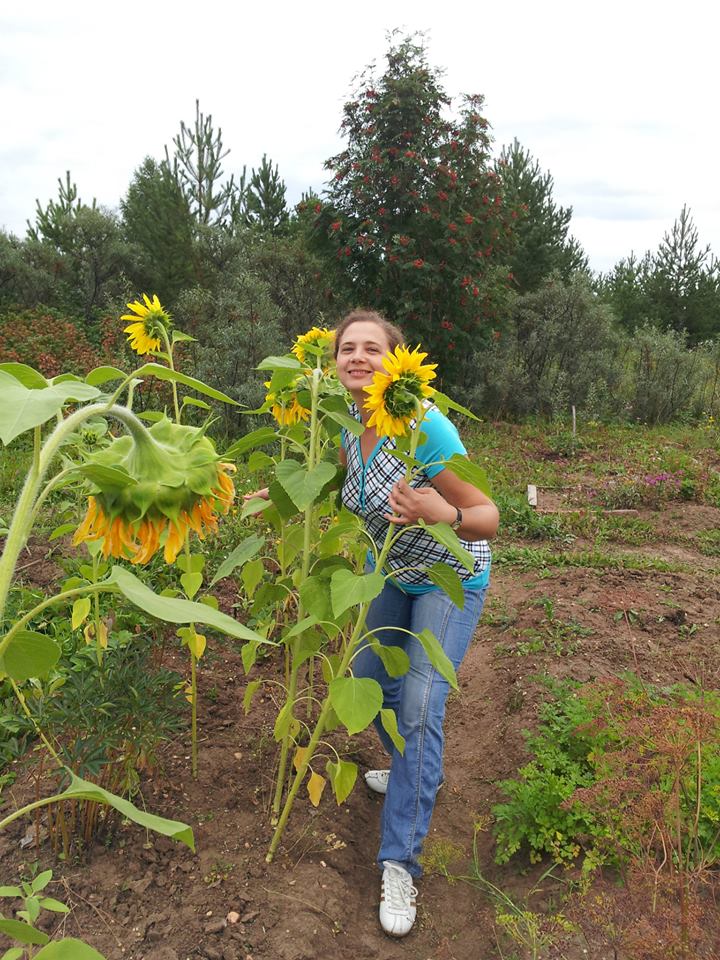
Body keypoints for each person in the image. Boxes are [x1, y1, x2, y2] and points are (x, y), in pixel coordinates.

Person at [333, 310, 498, 937]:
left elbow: (487, 514)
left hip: (450, 576)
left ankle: (400, 860)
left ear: (395, 360)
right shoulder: (351, 426)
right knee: (368, 679)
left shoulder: (423, 426)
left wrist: (440, 510)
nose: (358, 357)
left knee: (423, 701)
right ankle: (415, 762)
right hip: (392, 575)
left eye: (372, 349)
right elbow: (351, 487)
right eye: (347, 348)